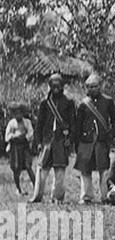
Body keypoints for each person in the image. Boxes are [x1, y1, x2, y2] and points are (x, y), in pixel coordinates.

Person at [72, 74, 115, 204]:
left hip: (102, 141)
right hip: (85, 142)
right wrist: (77, 143)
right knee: (85, 170)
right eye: (90, 87)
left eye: (95, 86)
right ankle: (86, 197)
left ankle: (105, 196)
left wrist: (110, 134)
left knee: (103, 169)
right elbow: (78, 125)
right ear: (86, 88)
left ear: (100, 86)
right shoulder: (83, 104)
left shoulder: (108, 101)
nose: (93, 89)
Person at [31, 73, 76, 203]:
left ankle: (57, 197)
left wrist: (70, 139)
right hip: (46, 141)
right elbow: (39, 125)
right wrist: (38, 142)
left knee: (60, 172)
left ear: (62, 86)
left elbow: (73, 123)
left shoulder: (68, 103)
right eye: (53, 85)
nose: (56, 87)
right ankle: (37, 196)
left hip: (61, 141)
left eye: (58, 84)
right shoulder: (45, 104)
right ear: (50, 86)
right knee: (41, 170)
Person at [5, 102, 35, 196]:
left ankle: (36, 187)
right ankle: (18, 189)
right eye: (16, 113)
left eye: (20, 113)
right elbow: (7, 136)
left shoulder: (27, 122)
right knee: (16, 169)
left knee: (28, 166)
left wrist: (24, 137)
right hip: (15, 149)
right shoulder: (11, 123)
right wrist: (14, 136)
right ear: (14, 114)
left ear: (23, 113)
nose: (18, 115)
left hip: (25, 147)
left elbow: (31, 133)